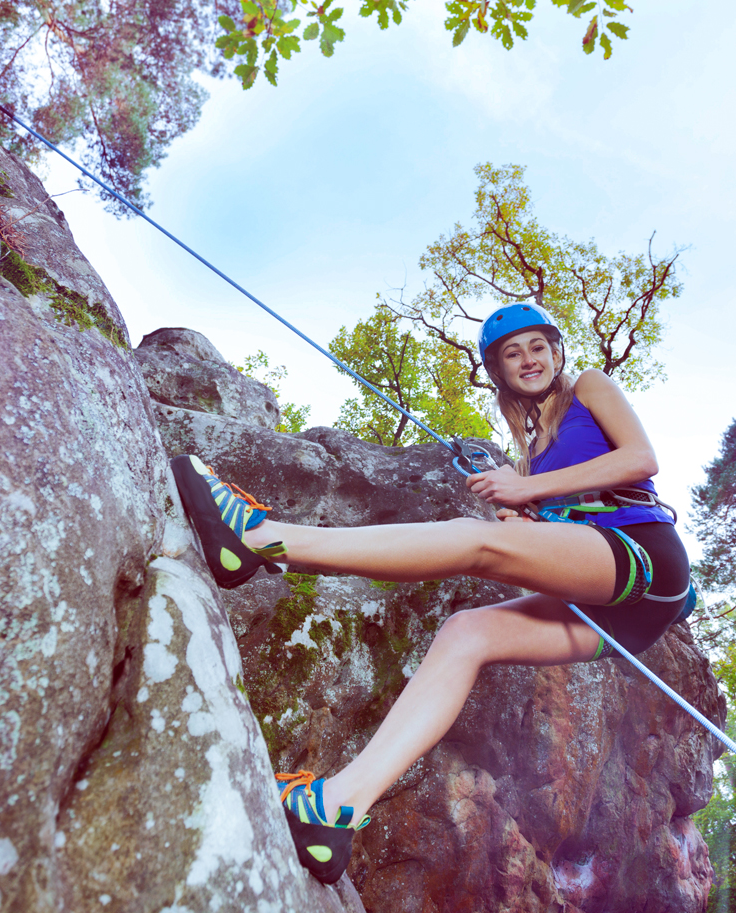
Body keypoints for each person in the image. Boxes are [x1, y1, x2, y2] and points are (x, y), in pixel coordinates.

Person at [170, 302, 690, 885]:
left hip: (647, 560)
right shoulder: (533, 446)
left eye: (537, 346)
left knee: (476, 543)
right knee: (466, 633)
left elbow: (641, 459)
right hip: (612, 606)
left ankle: (261, 539)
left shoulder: (591, 388)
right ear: (498, 371)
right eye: (512, 354)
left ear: (556, 351)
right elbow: (555, 537)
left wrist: (527, 487)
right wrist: (524, 515)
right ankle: (338, 806)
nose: (529, 359)